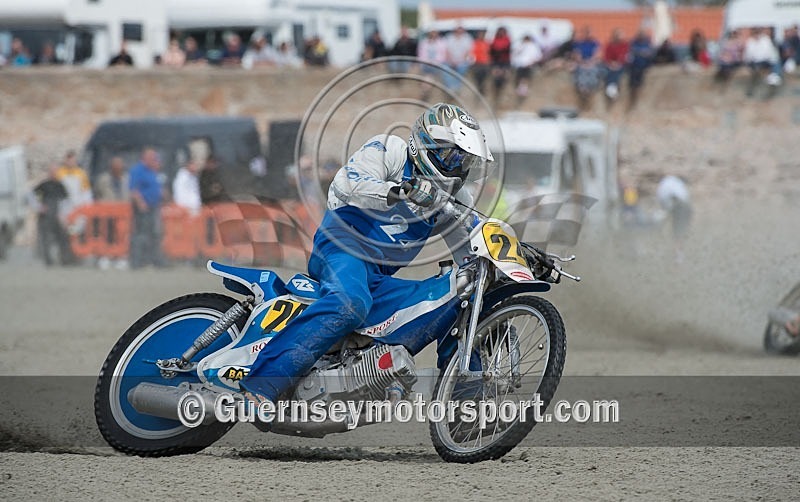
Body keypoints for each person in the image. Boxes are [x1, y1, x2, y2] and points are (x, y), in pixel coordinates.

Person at [240, 103, 493, 406]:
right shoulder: (392, 150)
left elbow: (474, 246)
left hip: (379, 279)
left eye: (465, 161)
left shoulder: (455, 198)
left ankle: (469, 408)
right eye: (453, 156)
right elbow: (349, 183)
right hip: (342, 247)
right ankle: (262, 384)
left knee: (459, 295)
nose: (459, 168)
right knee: (350, 304)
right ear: (427, 144)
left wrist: (522, 258)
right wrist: (401, 191)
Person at [128, 148, 165, 269]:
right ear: (145, 158)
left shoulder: (152, 171)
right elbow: (134, 190)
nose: (155, 160)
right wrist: (141, 203)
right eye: (153, 158)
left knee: (154, 234)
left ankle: (153, 260)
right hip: (143, 208)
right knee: (140, 235)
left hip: (154, 207)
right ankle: (137, 261)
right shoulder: (137, 170)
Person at [32, 166, 74, 266]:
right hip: (46, 216)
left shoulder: (61, 185)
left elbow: (66, 201)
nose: (53, 174)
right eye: (52, 172)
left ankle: (65, 260)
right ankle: (48, 261)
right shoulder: (44, 185)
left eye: (55, 172)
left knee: (63, 238)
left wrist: (64, 214)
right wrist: (39, 207)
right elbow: (31, 195)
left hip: (58, 215)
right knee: (46, 239)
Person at [94, 156, 130, 270]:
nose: (118, 168)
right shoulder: (103, 179)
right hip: (107, 212)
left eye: (119, 166)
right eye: (115, 166)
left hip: (123, 212)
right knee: (106, 235)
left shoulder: (126, 179)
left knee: (121, 235)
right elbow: (98, 193)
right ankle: (105, 257)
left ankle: (121, 257)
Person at [656, 175, 692, 264]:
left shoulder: (665, 183)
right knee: (679, 232)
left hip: (672, 204)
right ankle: (678, 255)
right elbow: (685, 200)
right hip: (680, 205)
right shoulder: (678, 184)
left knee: (673, 230)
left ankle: (670, 253)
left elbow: (663, 202)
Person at [55, 150, 92, 219]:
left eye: (73, 161)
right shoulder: (59, 173)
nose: (71, 163)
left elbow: (86, 192)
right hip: (64, 206)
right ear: (65, 161)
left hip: (78, 206)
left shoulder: (81, 173)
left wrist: (87, 206)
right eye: (69, 161)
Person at [511, 34, 542, 105]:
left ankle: (524, 88)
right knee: (520, 73)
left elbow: (538, 57)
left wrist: (531, 63)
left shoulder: (533, 46)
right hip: (520, 65)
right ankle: (520, 87)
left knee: (526, 75)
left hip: (529, 65)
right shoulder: (520, 46)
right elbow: (515, 56)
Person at [628, 30, 653, 110]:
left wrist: (641, 53)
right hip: (634, 66)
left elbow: (649, 53)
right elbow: (631, 53)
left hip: (644, 66)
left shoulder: (647, 43)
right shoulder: (634, 43)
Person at [444, 26, 474, 93]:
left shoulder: (467, 38)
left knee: (462, 69)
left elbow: (467, 52)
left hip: (462, 62)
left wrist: (459, 61)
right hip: (450, 61)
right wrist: (451, 61)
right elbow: (447, 51)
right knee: (445, 69)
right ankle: (450, 87)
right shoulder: (449, 38)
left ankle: (456, 88)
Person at [603, 28, 629, 103]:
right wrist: (611, 63)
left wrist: (618, 63)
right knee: (608, 70)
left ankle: (612, 87)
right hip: (610, 64)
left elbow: (624, 56)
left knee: (617, 71)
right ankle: (611, 87)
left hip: (621, 64)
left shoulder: (625, 45)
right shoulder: (609, 45)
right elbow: (606, 56)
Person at [489, 27, 512, 106]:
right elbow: (492, 53)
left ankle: (503, 93)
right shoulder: (494, 41)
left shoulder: (507, 41)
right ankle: (496, 93)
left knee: (505, 76)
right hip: (496, 63)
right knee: (496, 76)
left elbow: (507, 53)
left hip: (505, 63)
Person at [470, 30, 491, 96]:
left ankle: (482, 88)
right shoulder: (475, 43)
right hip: (477, 63)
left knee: (484, 76)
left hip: (485, 64)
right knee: (477, 76)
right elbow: (472, 53)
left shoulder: (487, 43)